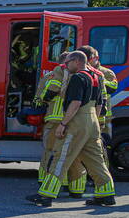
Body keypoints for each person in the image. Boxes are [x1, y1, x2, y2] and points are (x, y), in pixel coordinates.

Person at [28, 51, 115, 207]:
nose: (65, 66)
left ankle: (45, 195)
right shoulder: (96, 76)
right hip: (92, 121)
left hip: (77, 121)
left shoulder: (77, 77)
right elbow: (100, 103)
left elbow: (75, 103)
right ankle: (106, 194)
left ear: (76, 61)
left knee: (62, 157)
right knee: (96, 159)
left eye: (67, 63)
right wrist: (93, 122)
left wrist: (63, 124)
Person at [34, 52, 86, 196]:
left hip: (55, 121)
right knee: (74, 155)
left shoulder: (52, 76)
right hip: (76, 121)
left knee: (51, 152)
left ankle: (45, 183)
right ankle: (76, 189)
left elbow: (41, 98)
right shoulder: (83, 77)